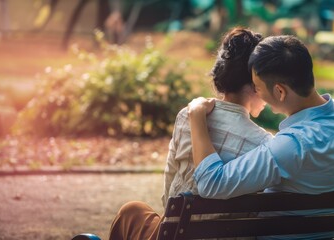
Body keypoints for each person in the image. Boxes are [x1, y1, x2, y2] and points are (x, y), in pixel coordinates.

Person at [188, 35, 334, 239]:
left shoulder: (291, 146)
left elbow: (211, 183)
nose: (255, 92)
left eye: (257, 87)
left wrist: (196, 115)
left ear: (280, 91)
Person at [108, 27, 272, 240]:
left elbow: (169, 196)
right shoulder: (265, 144)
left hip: (177, 233)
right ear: (256, 83)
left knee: (131, 212)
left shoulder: (188, 116)